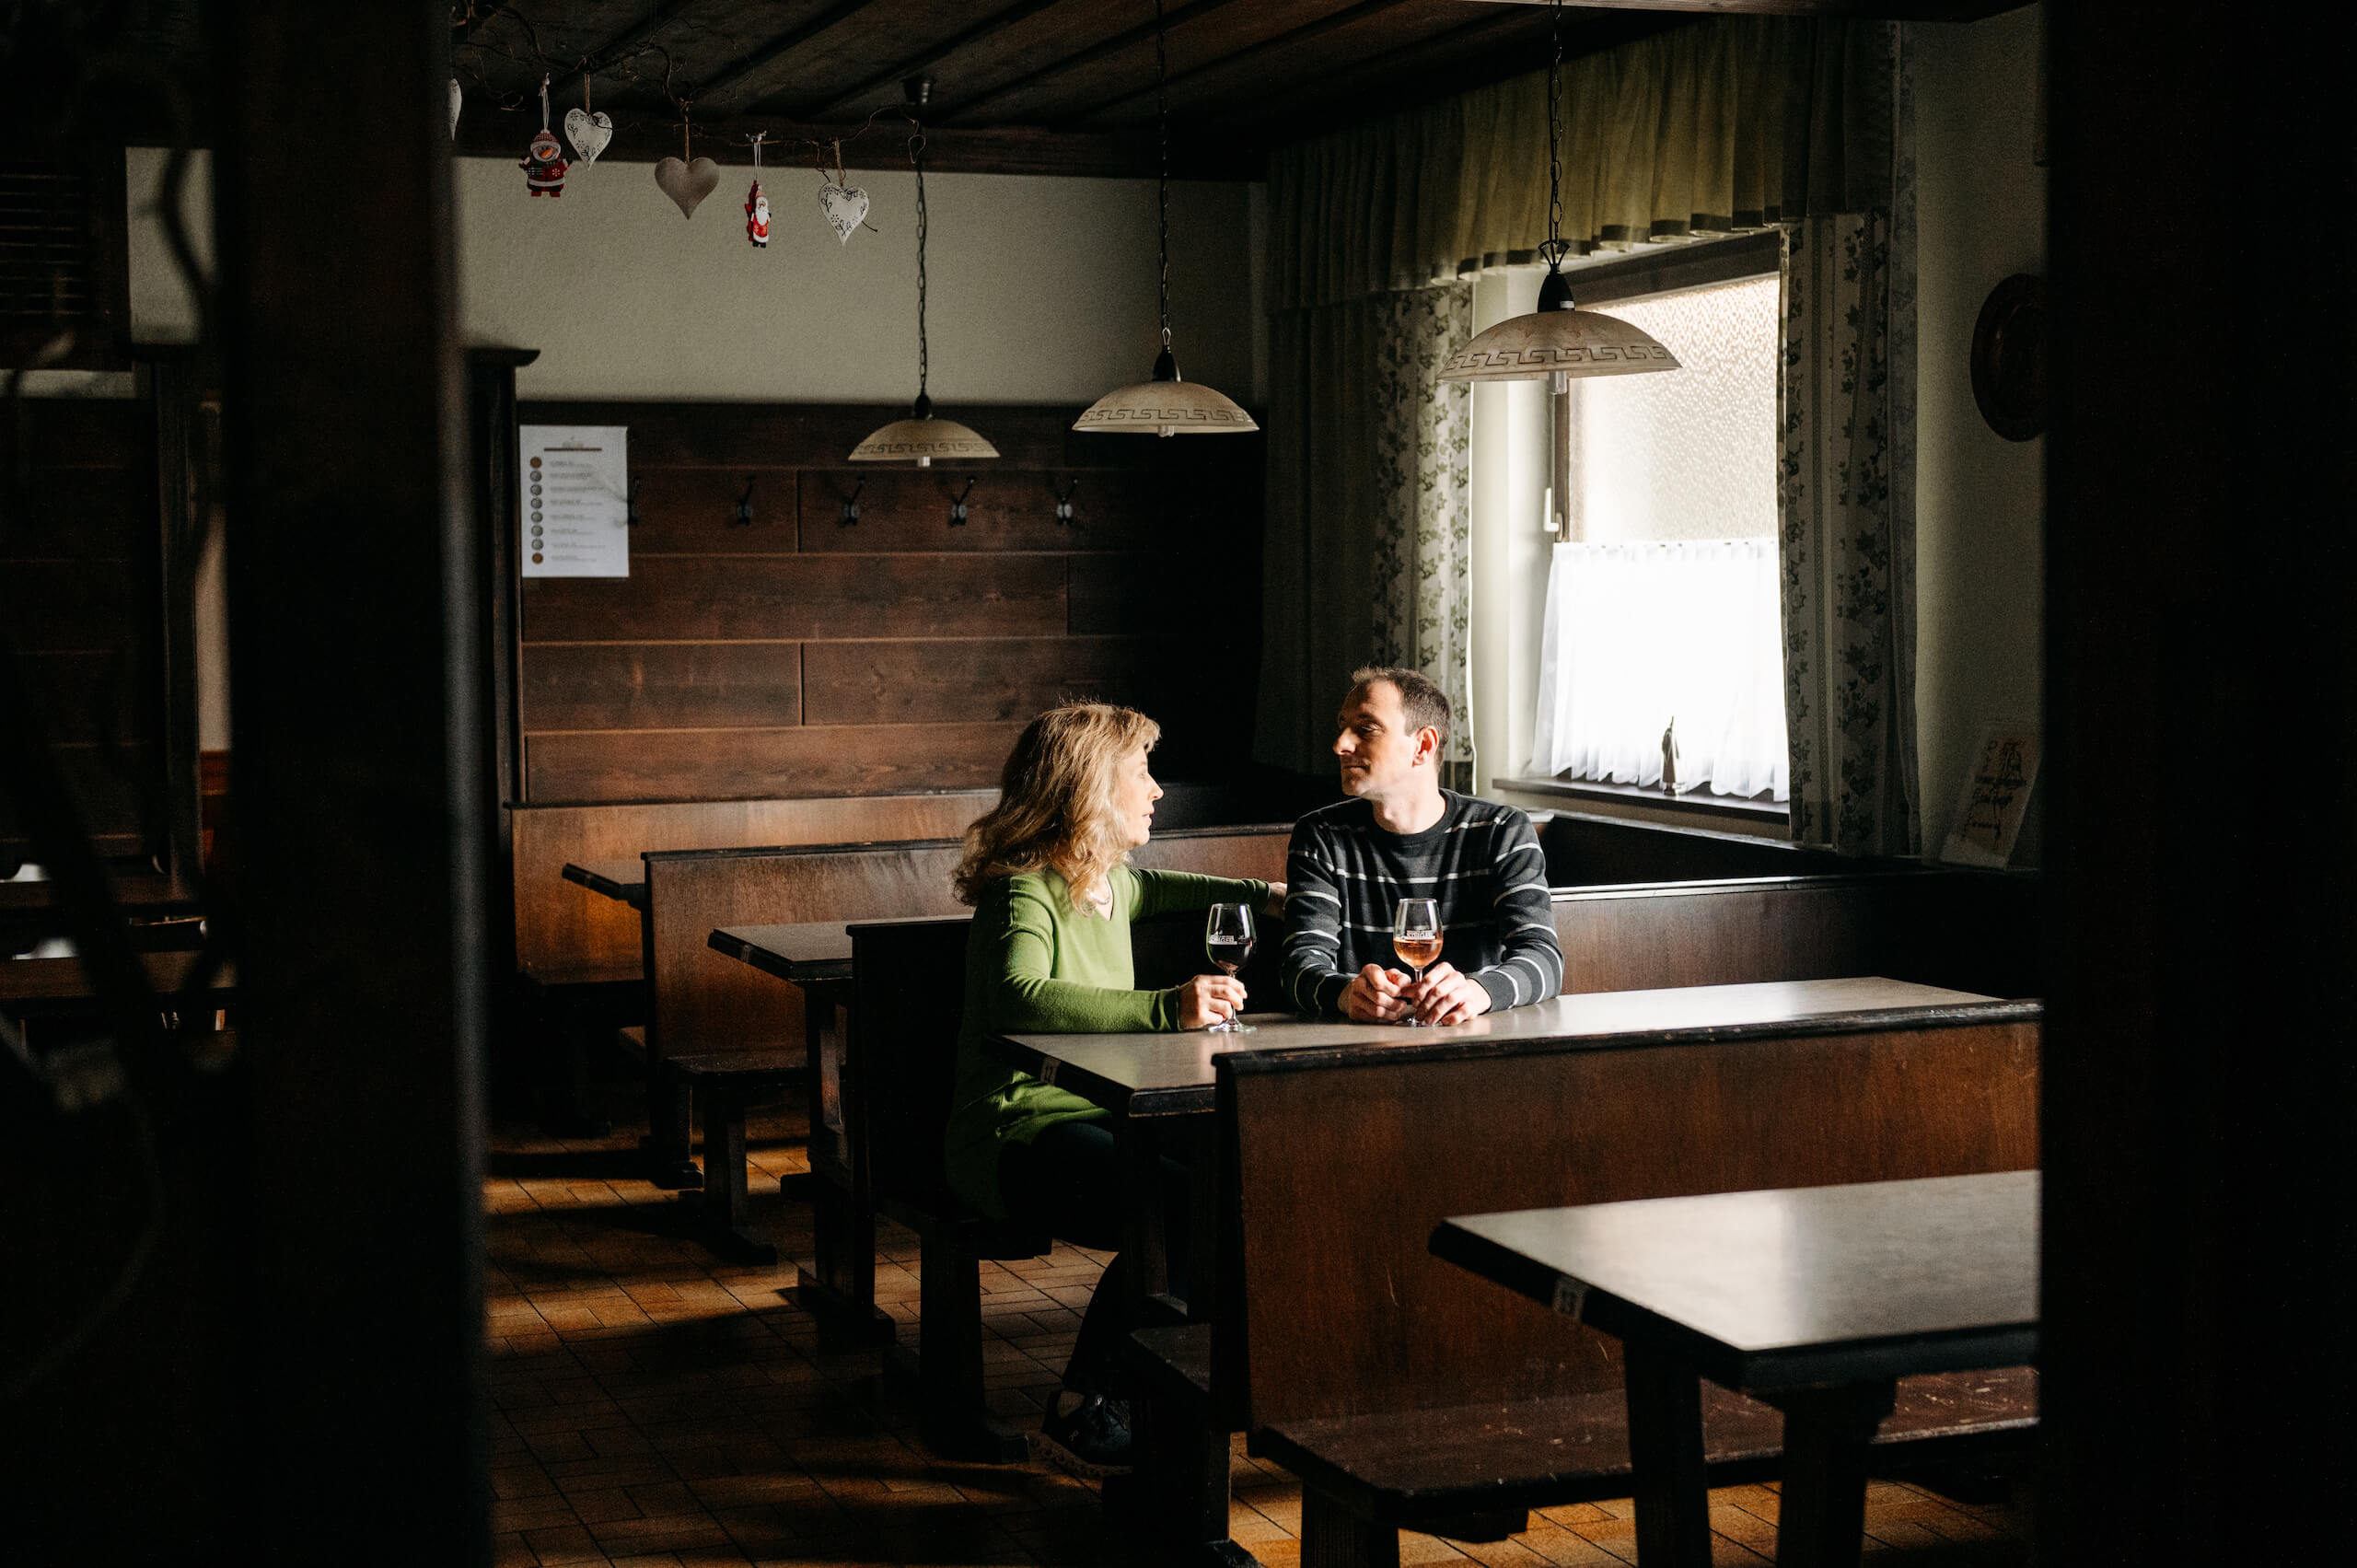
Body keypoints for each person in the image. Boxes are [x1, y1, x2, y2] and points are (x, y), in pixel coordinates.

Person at [943, 703, 1283, 1475]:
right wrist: (1167, 1007)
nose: (1158, 790)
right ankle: (1088, 1401)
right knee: (1171, 1207)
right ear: (1091, 784)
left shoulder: (1108, 882)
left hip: (1103, 1117)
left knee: (1222, 1194)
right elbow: (1016, 995)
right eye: (1142, 772)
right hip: (1011, 1130)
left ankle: (1153, 1397)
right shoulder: (1024, 889)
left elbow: (1166, 885)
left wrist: (1267, 891)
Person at [1283, 667, 1562, 1023]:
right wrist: (1344, 993)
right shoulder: (1320, 835)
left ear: (1423, 746)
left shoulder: (1502, 830)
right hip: (1360, 1051)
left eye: (1366, 729)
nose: (1340, 745)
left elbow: (1544, 958)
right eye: (1342, 726)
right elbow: (1298, 966)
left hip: (1475, 1046)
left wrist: (1479, 992)